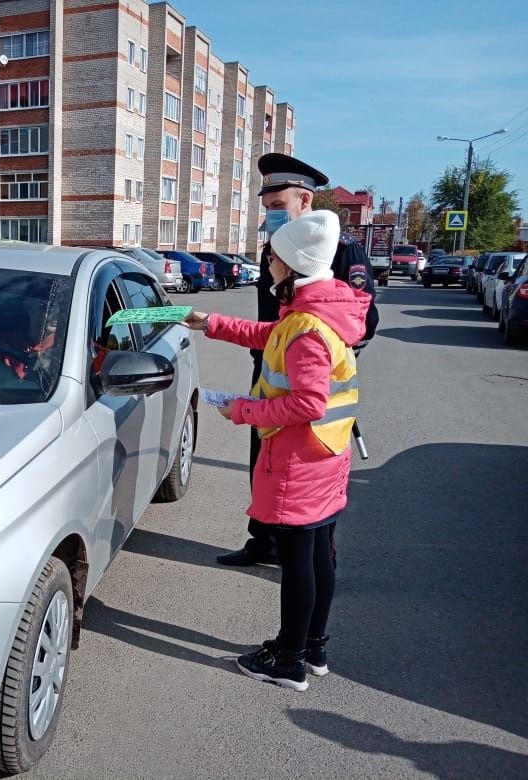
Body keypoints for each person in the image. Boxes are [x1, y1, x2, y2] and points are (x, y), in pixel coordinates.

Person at [184, 210, 371, 690]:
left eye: (273, 260)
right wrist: (211, 323)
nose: (267, 267)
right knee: (319, 555)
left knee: (299, 560)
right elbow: (269, 336)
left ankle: (288, 659)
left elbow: (306, 402)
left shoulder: (307, 327)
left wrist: (244, 411)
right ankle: (314, 648)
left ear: (292, 266)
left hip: (299, 460)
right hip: (326, 456)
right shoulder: (317, 314)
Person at [217, 152, 379, 567]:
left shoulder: (341, 251)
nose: (269, 216)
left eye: (277, 207)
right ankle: (264, 541)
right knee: (264, 462)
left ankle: (313, 561)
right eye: (266, 208)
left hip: (311, 384)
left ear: (304, 201)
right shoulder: (274, 250)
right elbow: (269, 322)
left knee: (309, 488)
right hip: (269, 373)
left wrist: (316, 358)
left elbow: (363, 321)